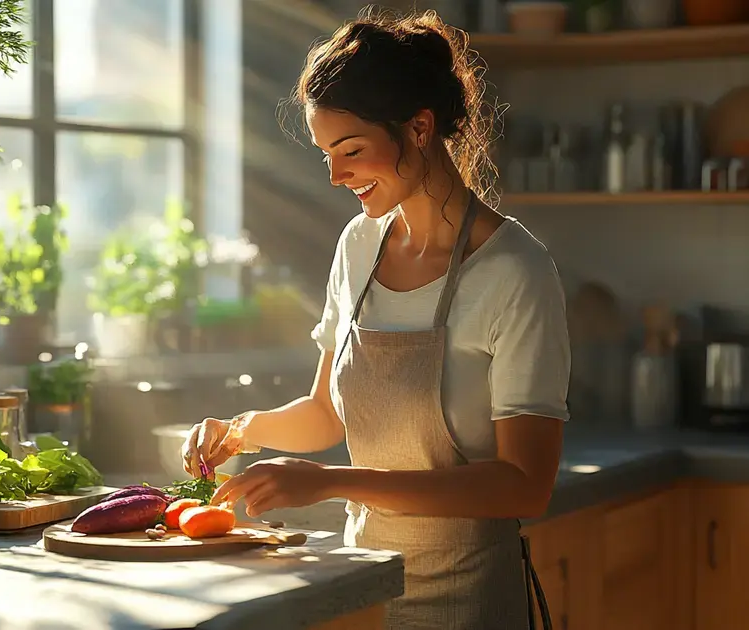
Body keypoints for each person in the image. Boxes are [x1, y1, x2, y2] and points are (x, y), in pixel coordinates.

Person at [181, 8, 569, 630]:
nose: (336, 176)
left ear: (419, 127)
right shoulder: (358, 246)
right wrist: (240, 431)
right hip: (364, 592)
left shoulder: (514, 270)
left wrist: (330, 481)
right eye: (327, 155)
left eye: (352, 150)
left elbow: (524, 485)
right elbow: (326, 413)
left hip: (467, 603)